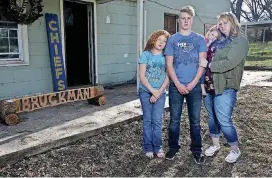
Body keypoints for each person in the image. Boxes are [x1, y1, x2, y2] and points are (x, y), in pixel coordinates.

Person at [164, 5, 208, 164]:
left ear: (192, 20)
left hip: (194, 87)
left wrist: (193, 83)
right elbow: (169, 65)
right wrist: (177, 84)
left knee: (195, 120)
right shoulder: (172, 40)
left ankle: (197, 150)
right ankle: (173, 148)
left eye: (189, 18)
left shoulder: (199, 39)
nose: (186, 21)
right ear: (179, 19)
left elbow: (203, 63)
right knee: (174, 119)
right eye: (183, 18)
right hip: (176, 86)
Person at [203, 12, 249, 163]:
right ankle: (215, 145)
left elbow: (229, 63)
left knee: (224, 120)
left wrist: (208, 64)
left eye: (225, 23)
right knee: (212, 118)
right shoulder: (218, 41)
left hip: (226, 86)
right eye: (220, 23)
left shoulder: (240, 41)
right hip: (210, 85)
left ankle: (235, 149)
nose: (222, 26)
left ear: (233, 23)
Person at [138, 30, 170, 159]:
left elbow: (168, 76)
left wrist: (159, 92)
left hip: (160, 93)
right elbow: (142, 76)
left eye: (164, 41)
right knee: (148, 120)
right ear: (153, 39)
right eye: (159, 40)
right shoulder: (146, 55)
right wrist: (153, 91)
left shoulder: (166, 56)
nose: (161, 43)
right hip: (146, 92)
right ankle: (148, 147)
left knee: (157, 121)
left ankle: (158, 147)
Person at [201, 26, 221, 96]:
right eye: (210, 34)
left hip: (211, 65)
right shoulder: (206, 41)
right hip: (204, 61)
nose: (211, 37)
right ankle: (202, 88)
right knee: (202, 73)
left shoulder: (218, 44)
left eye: (214, 35)